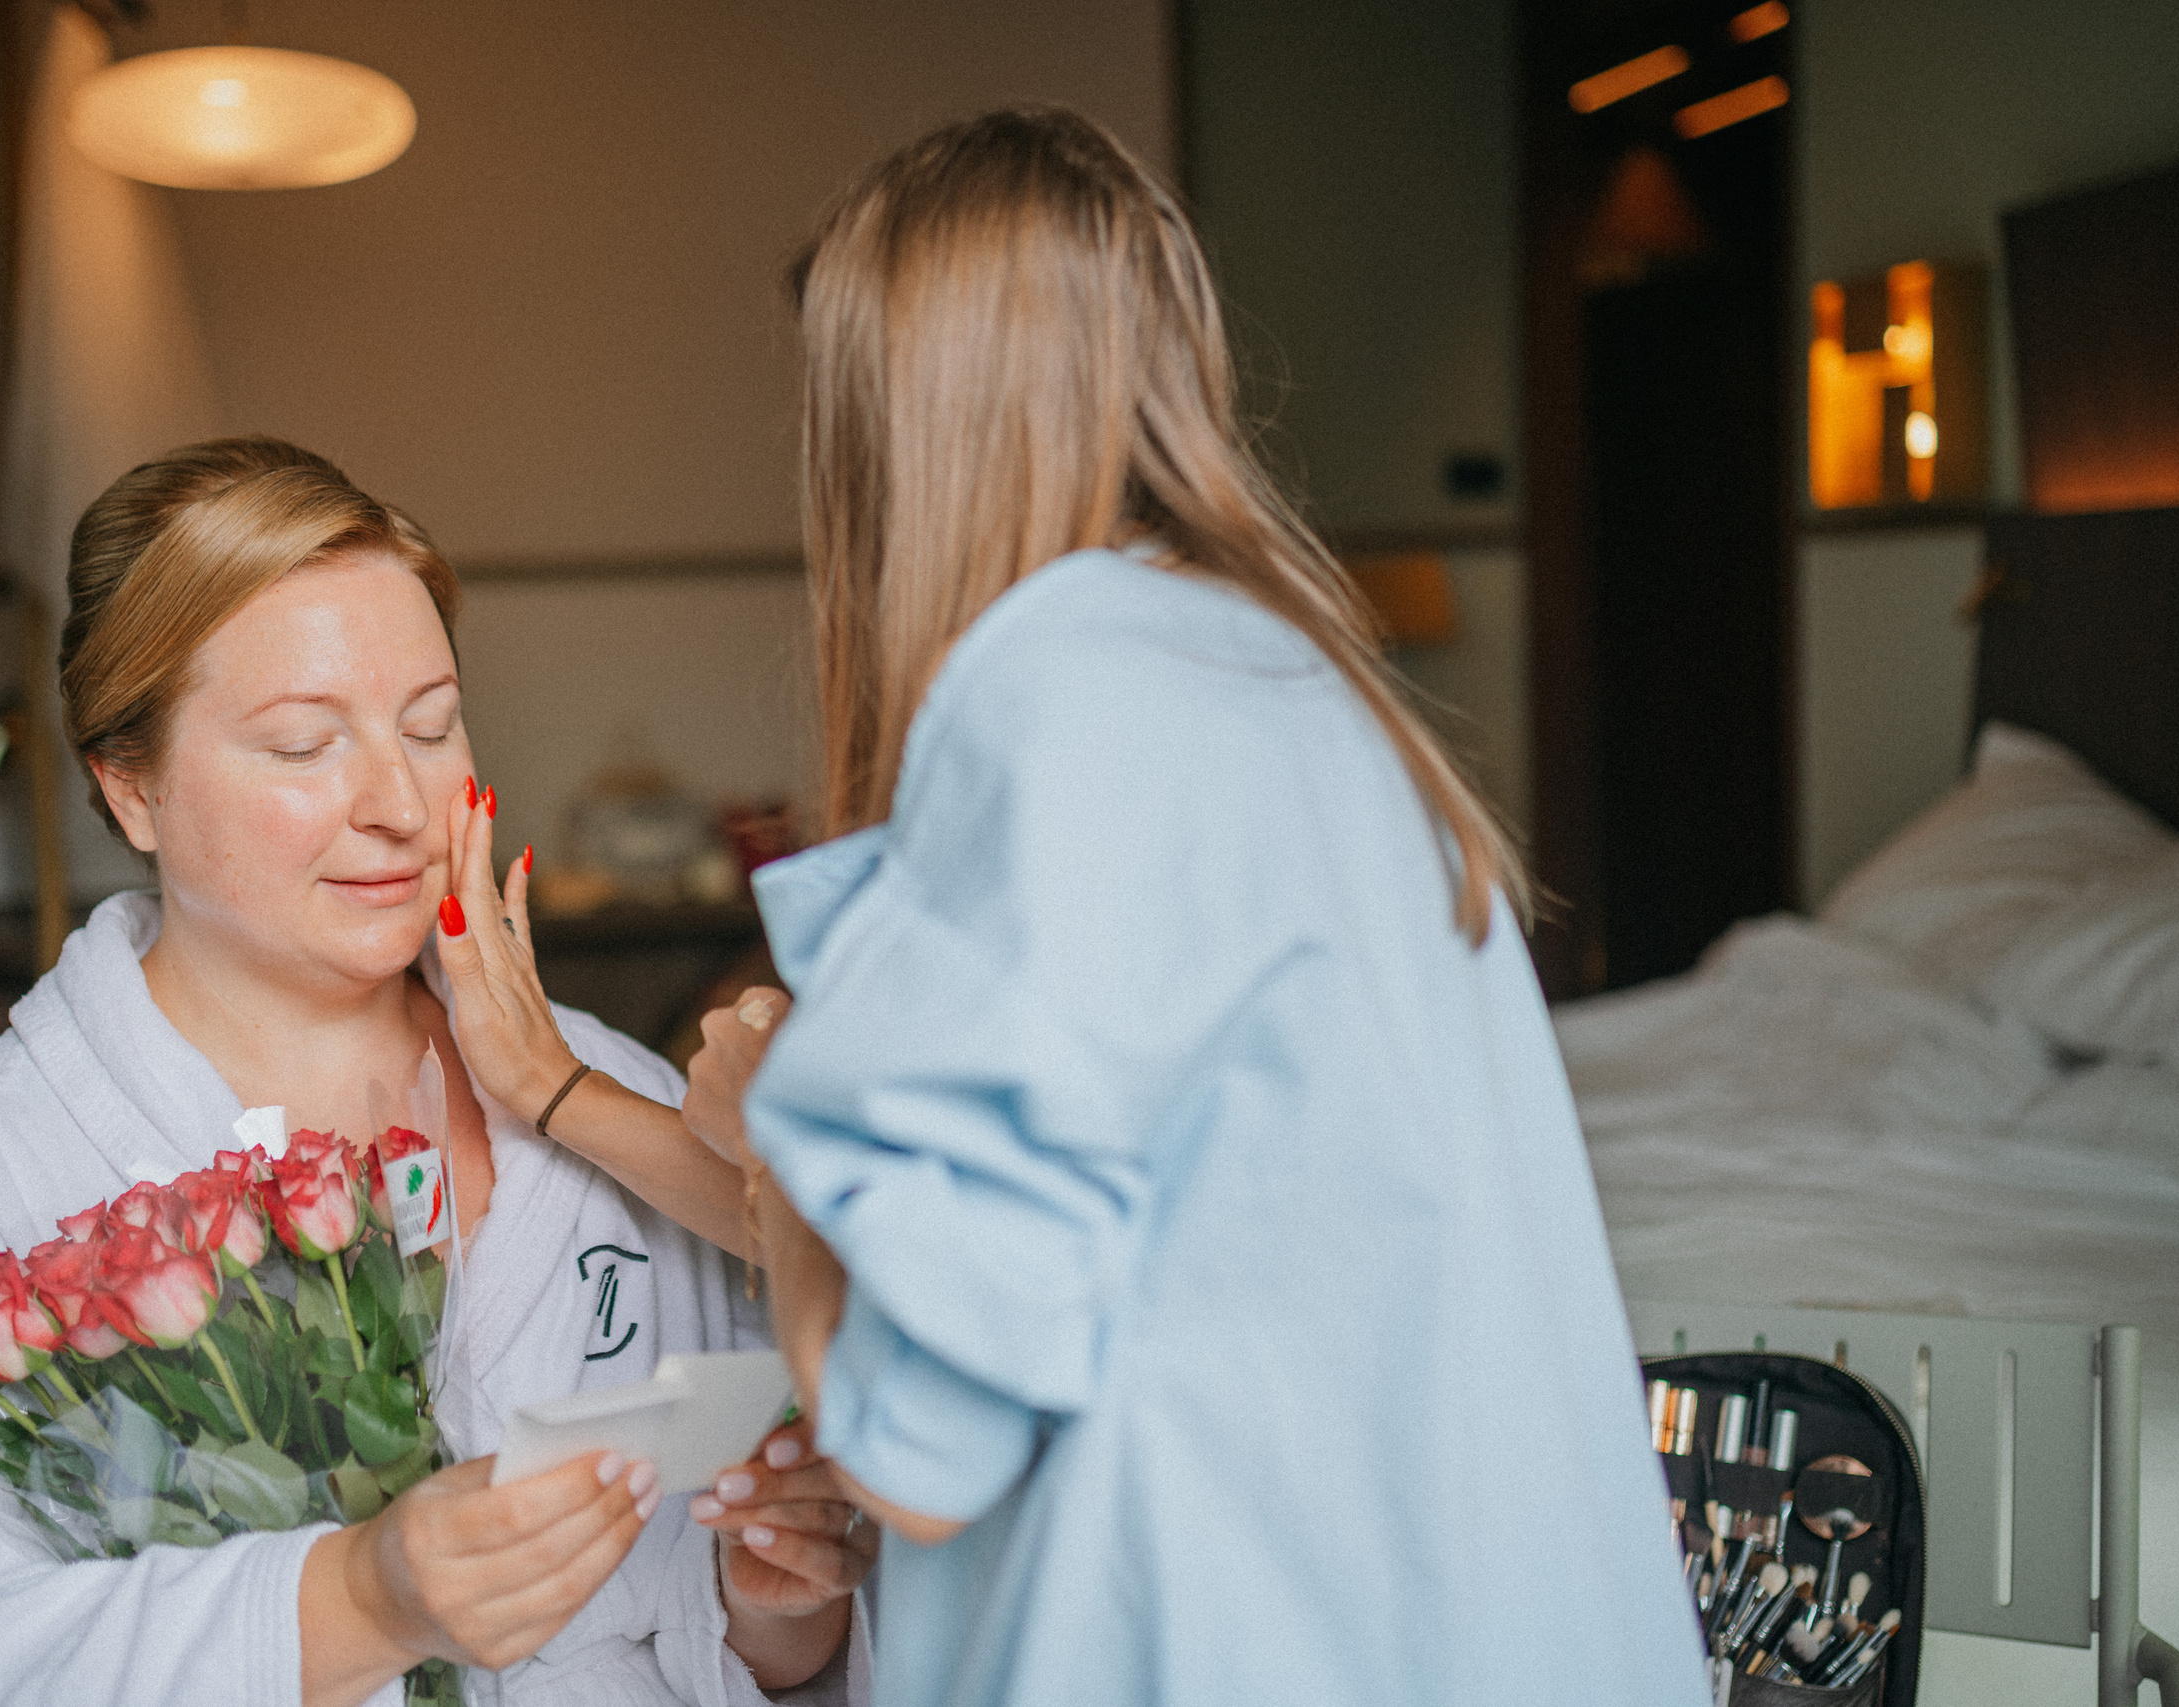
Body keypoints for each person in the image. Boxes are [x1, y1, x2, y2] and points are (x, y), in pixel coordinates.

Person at [670, 108, 1706, 1704]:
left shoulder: (1056, 704)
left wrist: (781, 1145)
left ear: (902, 433)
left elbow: (923, 1447)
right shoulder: (1305, 687)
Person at [0, 438, 871, 1706]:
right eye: (300, 746)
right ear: (131, 789)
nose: (398, 799)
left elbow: (749, 1585)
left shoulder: (616, 1106)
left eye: (432, 726)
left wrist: (774, 1613)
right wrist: (344, 1604)